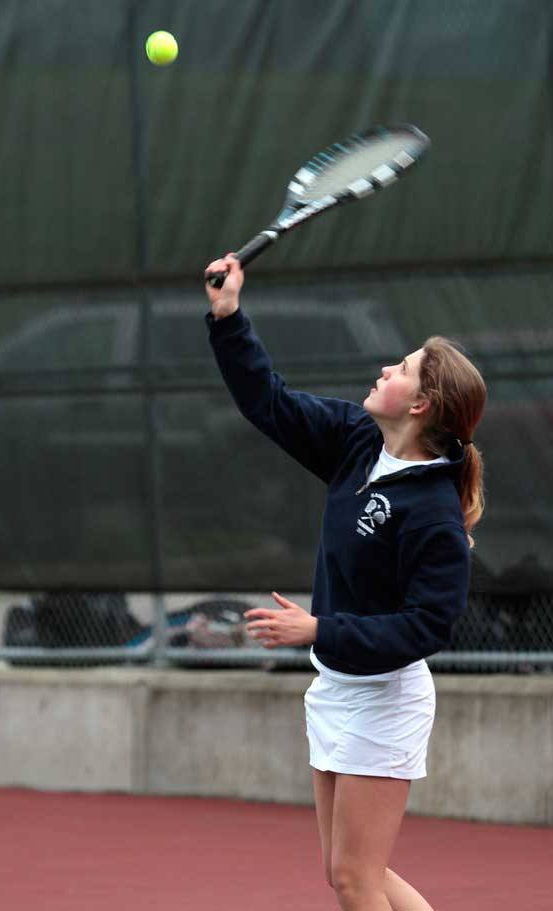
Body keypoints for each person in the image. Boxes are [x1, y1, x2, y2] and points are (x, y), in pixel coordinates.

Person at [203, 254, 487, 911]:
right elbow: (268, 403)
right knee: (350, 874)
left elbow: (427, 627)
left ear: (419, 404)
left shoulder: (436, 514)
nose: (386, 367)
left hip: (386, 698)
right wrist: (228, 317)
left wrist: (318, 627)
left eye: (403, 368)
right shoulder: (358, 440)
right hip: (335, 685)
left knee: (358, 878)